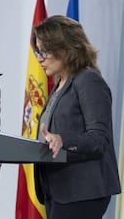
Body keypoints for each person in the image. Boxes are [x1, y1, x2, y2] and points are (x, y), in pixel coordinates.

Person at [32, 15, 121, 219]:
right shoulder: (59, 85)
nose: (39, 58)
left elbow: (100, 139)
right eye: (37, 51)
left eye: (44, 51)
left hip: (82, 191)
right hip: (57, 190)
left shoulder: (88, 80)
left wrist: (63, 140)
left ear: (65, 48)